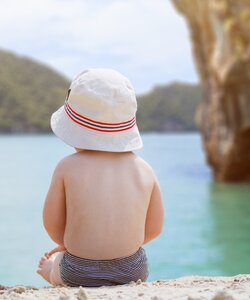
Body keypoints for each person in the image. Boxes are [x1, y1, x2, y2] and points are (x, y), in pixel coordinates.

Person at [36, 68, 164, 287]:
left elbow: (52, 225)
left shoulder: (67, 167)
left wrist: (70, 245)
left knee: (56, 264)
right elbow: (154, 228)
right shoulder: (144, 169)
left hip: (78, 271)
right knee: (133, 256)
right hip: (133, 269)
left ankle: (50, 271)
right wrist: (119, 246)